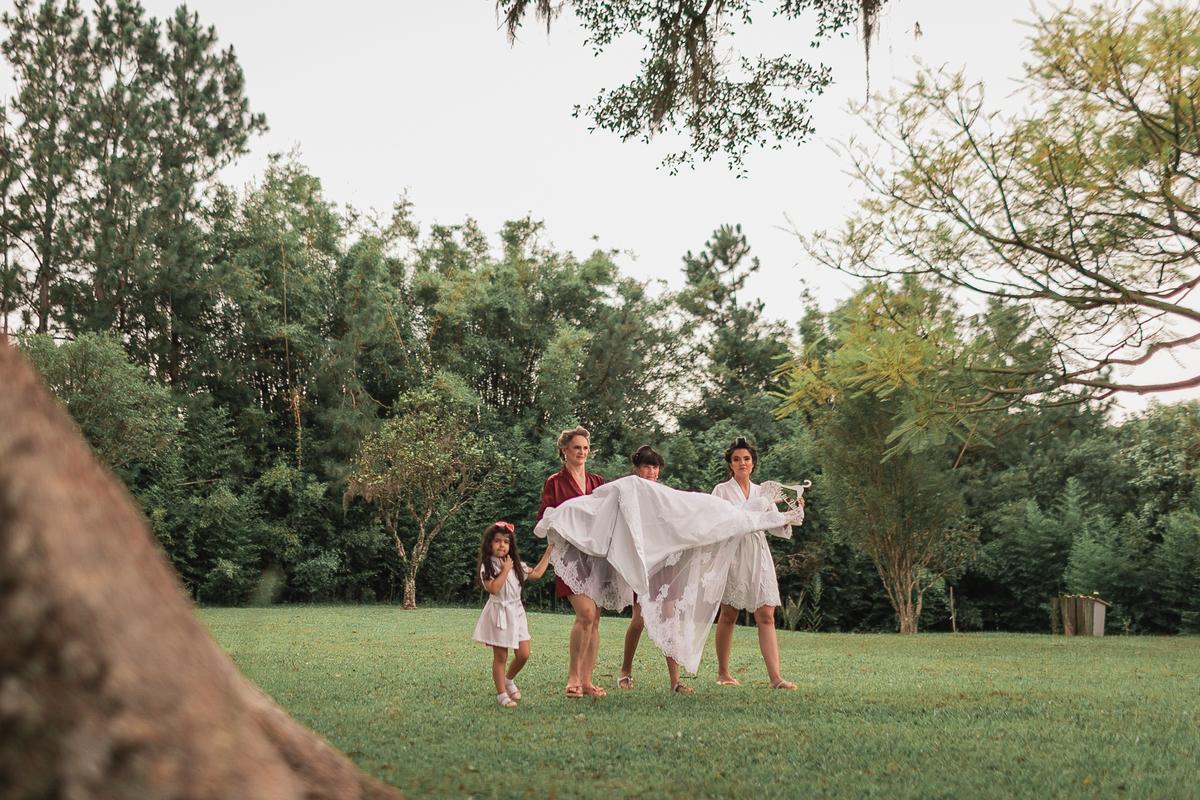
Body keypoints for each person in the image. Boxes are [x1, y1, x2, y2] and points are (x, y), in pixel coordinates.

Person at [712, 436, 800, 690]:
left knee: (767, 614)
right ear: (730, 464)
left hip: (759, 553)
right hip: (734, 553)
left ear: (753, 463)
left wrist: (790, 515)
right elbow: (731, 521)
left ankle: (776, 677)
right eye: (736, 459)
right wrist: (764, 504)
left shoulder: (764, 491)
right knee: (729, 613)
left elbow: (774, 525)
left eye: (746, 459)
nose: (742, 463)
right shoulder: (721, 490)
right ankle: (723, 672)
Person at [538, 425, 607, 699]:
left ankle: (588, 681)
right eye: (577, 447)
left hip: (597, 556)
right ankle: (573, 677)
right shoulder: (554, 482)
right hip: (568, 555)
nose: (582, 452)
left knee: (596, 619)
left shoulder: (598, 482)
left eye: (586, 448)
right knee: (585, 613)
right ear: (564, 450)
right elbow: (545, 518)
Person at [618, 446, 693, 693]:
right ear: (638, 469)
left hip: (667, 562)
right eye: (646, 467)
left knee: (669, 619)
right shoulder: (630, 493)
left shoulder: (665, 494)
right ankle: (625, 670)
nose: (651, 471)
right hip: (642, 562)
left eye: (655, 467)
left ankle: (675, 680)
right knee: (639, 620)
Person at [472, 521, 554, 707]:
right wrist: (505, 570)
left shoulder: (516, 565)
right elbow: (493, 588)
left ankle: (509, 679)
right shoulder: (488, 567)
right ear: (489, 544)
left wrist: (548, 553)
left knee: (523, 654)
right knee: (500, 656)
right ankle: (502, 694)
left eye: (506, 542)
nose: (502, 545)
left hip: (516, 612)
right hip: (499, 613)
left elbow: (537, 573)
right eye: (497, 541)